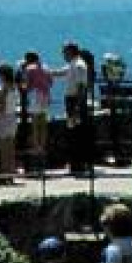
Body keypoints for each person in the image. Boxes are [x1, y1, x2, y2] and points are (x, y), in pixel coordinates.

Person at [52, 42, 94, 176]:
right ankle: (76, 163)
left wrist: (76, 107)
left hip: (75, 101)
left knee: (77, 133)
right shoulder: (73, 64)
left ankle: (78, 164)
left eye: (64, 52)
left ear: (70, 52)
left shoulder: (79, 66)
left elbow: (82, 87)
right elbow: (61, 72)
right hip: (73, 101)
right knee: (73, 132)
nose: (63, 55)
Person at [22, 51, 53, 169]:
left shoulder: (29, 68)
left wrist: (23, 87)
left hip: (35, 95)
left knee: (35, 122)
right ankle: (42, 146)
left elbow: (26, 84)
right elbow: (50, 82)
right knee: (43, 122)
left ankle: (36, 147)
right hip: (45, 95)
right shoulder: (46, 67)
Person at [0, 63, 22, 178]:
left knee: (3, 149)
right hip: (12, 117)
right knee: (10, 148)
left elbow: (1, 107)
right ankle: (10, 171)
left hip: (3, 119)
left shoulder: (4, 88)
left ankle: (5, 174)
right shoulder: (14, 87)